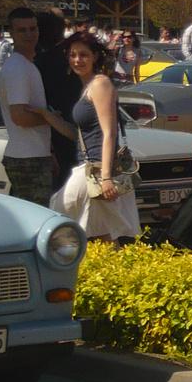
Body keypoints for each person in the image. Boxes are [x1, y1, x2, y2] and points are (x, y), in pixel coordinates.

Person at [52, 30, 139, 243]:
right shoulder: (87, 87)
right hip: (90, 168)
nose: (77, 60)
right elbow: (79, 135)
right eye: (73, 55)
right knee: (102, 236)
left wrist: (106, 177)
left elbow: (109, 133)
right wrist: (47, 116)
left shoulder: (100, 84)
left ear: (95, 57)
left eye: (83, 55)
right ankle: (108, 274)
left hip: (96, 171)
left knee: (57, 215)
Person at [0, 7, 73, 205]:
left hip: (36, 155)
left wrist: (50, 154)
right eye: (22, 30)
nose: (29, 34)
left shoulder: (27, 65)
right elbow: (19, 117)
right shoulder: (17, 68)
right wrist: (51, 117)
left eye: (32, 29)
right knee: (38, 222)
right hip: (26, 159)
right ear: (11, 33)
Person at [34, 12, 81, 193]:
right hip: (80, 134)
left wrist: (51, 151)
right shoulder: (73, 60)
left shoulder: (40, 64)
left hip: (57, 137)